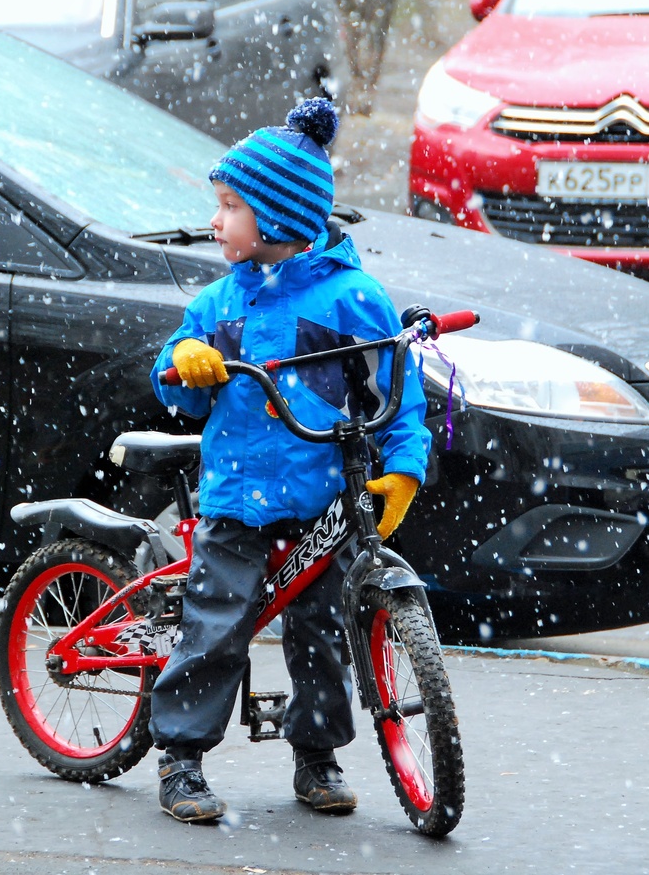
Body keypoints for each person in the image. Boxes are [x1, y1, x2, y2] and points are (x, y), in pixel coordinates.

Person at [148, 98, 432, 823]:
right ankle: (180, 757)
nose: (217, 221)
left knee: (322, 629)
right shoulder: (218, 304)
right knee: (216, 624)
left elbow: (395, 394)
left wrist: (402, 465)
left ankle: (317, 754)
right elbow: (171, 384)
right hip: (236, 499)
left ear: (276, 216)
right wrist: (185, 361)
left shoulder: (352, 299)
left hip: (320, 500)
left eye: (230, 205)